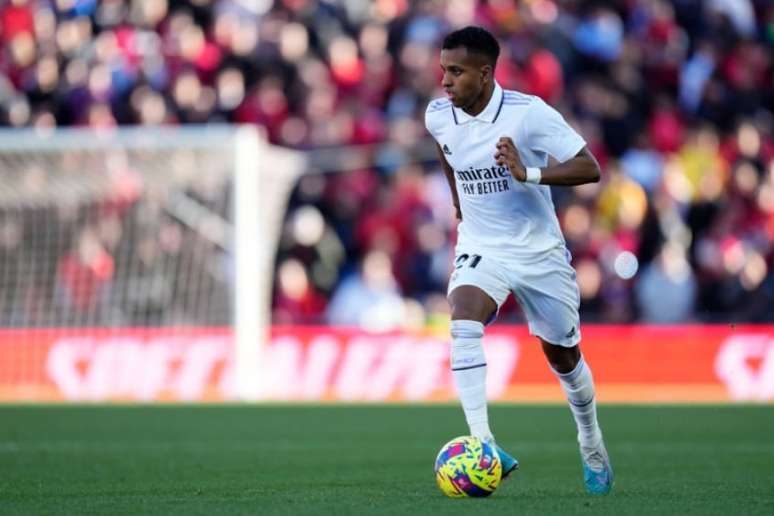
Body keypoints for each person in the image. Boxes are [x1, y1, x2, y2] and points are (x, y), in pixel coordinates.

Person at [425, 26, 613, 495]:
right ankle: (484, 445)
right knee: (463, 318)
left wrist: (527, 171)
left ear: (485, 74)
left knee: (564, 356)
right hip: (482, 244)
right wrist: (457, 202)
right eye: (443, 69)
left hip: (539, 252)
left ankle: (590, 439)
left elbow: (590, 166)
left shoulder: (529, 114)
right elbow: (447, 153)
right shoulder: (438, 116)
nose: (445, 81)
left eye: (456, 71)